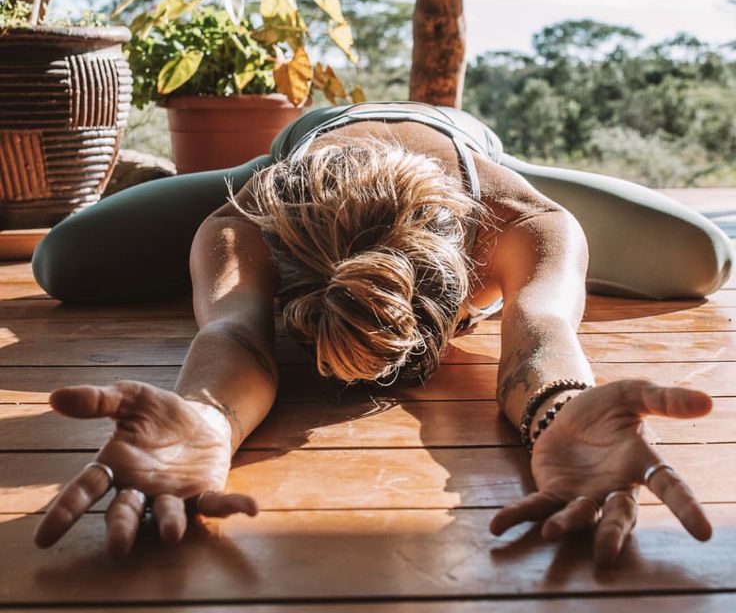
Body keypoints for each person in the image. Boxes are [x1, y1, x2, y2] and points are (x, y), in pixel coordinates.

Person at [31, 102, 733, 565]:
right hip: (312, 136)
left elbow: (539, 328)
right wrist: (203, 419)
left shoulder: (519, 217)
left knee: (705, 257)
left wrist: (561, 405)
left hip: (465, 144)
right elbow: (234, 329)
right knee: (58, 260)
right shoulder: (244, 215)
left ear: (473, 270)